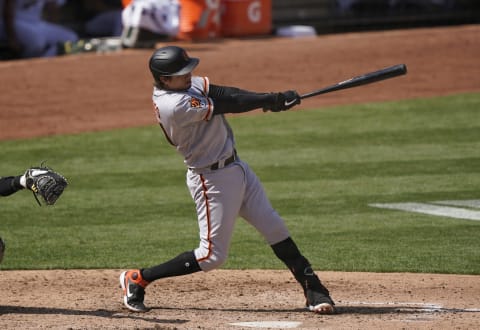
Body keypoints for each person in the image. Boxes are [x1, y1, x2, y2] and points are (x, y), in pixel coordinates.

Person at [119, 46, 335, 314]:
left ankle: (314, 289)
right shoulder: (174, 104)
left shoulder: (184, 86)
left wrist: (270, 100)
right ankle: (138, 278)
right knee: (211, 256)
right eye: (182, 73)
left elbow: (223, 92)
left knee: (274, 227)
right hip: (211, 180)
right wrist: (270, 100)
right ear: (164, 79)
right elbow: (227, 105)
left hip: (236, 168)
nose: (189, 75)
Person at [0, 0, 78, 59]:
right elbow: (7, 12)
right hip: (15, 22)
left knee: (71, 37)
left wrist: (53, 28)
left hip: (36, 23)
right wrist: (11, 38)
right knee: (38, 41)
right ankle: (26, 63)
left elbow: (52, 7)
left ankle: (43, 62)